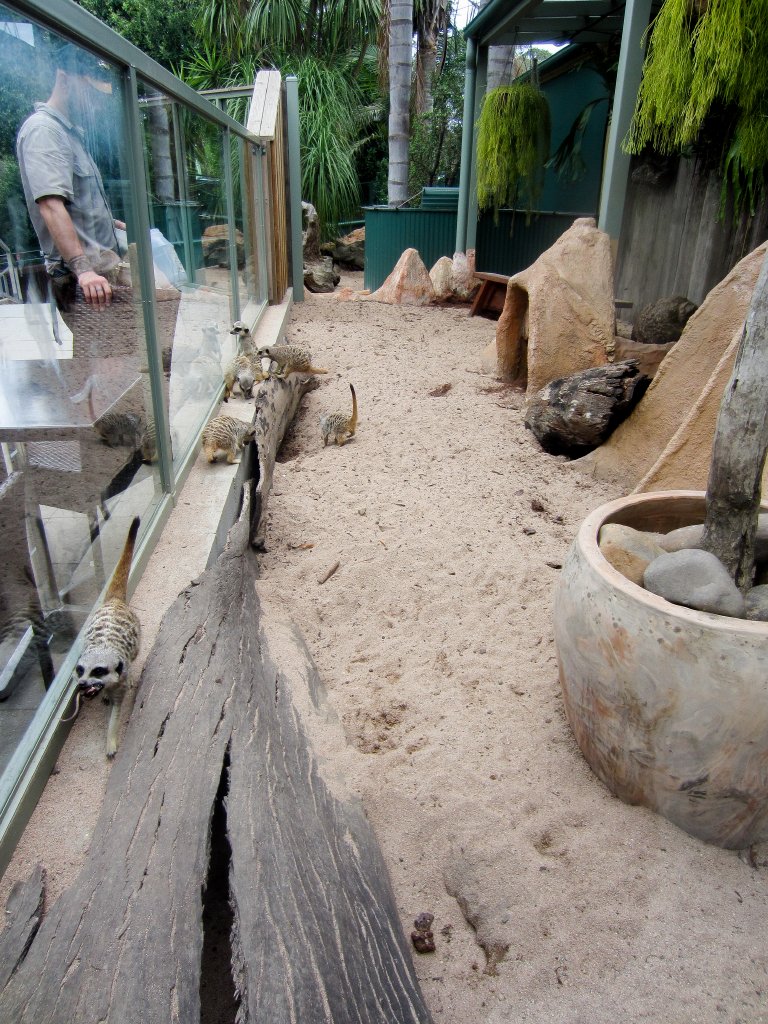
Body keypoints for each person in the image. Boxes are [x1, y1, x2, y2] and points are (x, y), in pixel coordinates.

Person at [16, 43, 126, 312]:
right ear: (64, 79)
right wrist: (84, 271)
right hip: (85, 278)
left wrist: (107, 222)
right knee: (106, 351)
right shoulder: (43, 131)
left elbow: (72, 203)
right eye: (89, 91)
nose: (95, 103)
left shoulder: (71, 133)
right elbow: (51, 206)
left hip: (103, 267)